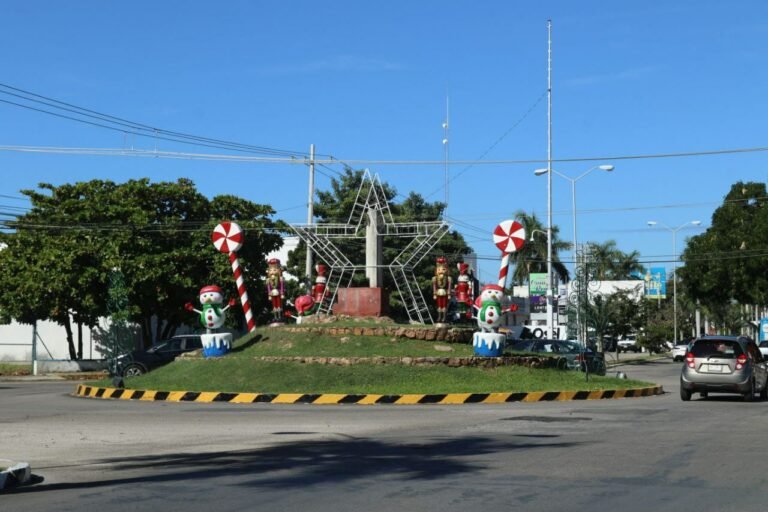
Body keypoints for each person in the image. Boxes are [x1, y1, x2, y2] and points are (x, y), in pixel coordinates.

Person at [432, 256, 452, 323]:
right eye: (439, 269)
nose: (441, 271)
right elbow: (434, 286)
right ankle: (439, 317)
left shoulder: (448, 278)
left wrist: (449, 294)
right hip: (438, 292)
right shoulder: (435, 278)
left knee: (444, 305)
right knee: (439, 305)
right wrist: (434, 294)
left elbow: (449, 287)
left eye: (443, 269)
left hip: (445, 292)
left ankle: (444, 317)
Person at [266, 258, 285, 322]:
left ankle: (280, 316)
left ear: (279, 270)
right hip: (272, 293)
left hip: (278, 292)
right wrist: (269, 295)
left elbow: (282, 286)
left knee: (279, 305)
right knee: (274, 305)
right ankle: (275, 317)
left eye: (274, 270)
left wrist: (282, 293)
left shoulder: (280, 278)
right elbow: (268, 287)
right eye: (270, 270)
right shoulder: (268, 280)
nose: (272, 272)